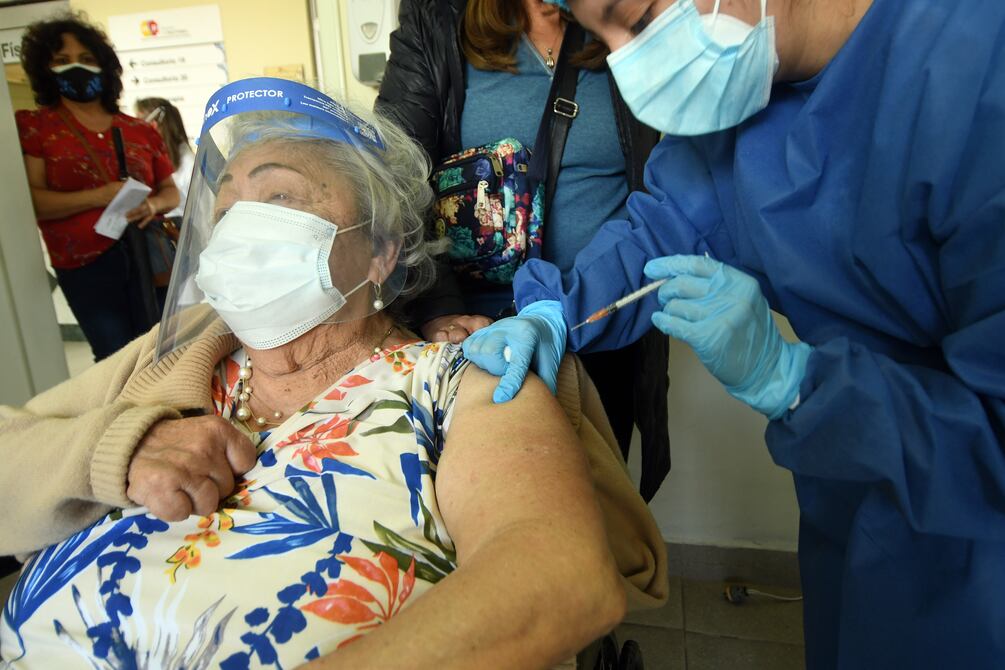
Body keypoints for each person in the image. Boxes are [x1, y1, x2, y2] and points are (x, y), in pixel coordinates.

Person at [0, 79, 666, 668]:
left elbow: (558, 575)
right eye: (226, 210)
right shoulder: (177, 356)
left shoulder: (461, 379)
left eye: (279, 195)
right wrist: (114, 451)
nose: (239, 231)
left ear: (381, 250)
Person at [462, 0, 1005, 667]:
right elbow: (665, 228)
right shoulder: (747, 91)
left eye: (637, 17)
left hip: (973, 523)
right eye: (596, 33)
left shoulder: (977, 71)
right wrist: (557, 312)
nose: (626, 63)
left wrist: (795, 383)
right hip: (854, 487)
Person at [377, 0, 670, 497]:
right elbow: (394, 176)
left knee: (596, 499)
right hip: (477, 332)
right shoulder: (438, 19)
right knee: (494, 495)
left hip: (599, 321)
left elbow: (661, 191)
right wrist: (440, 309)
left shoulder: (622, 23)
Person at [16, 14, 180, 361]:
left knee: (163, 347)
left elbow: (170, 192)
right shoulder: (37, 127)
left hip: (146, 253)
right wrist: (99, 196)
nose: (76, 67)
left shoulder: (139, 130)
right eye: (62, 60)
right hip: (85, 265)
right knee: (114, 356)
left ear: (104, 66)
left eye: (87, 58)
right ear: (45, 68)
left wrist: (151, 206)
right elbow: (33, 201)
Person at [134, 97, 195, 223]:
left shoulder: (189, 163)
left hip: (180, 230)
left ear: (153, 124)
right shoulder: (154, 158)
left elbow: (203, 212)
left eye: (138, 122)